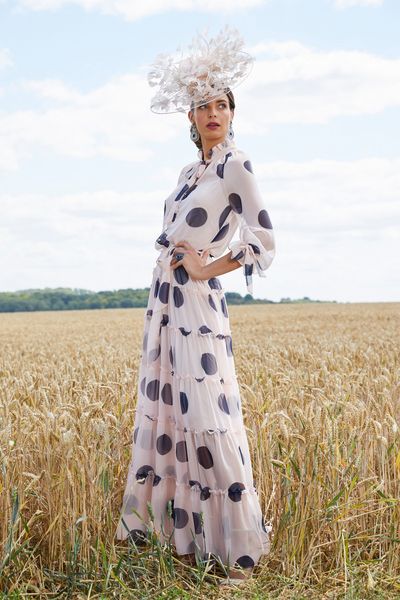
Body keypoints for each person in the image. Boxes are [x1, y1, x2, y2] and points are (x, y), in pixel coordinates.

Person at [115, 27, 276, 585]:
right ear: (190, 118)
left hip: (199, 307)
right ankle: (185, 542)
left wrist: (207, 267)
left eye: (222, 104)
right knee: (170, 418)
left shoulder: (237, 165)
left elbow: (264, 241)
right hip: (165, 303)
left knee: (210, 421)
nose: (213, 113)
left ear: (233, 113)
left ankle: (242, 558)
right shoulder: (189, 174)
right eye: (203, 105)